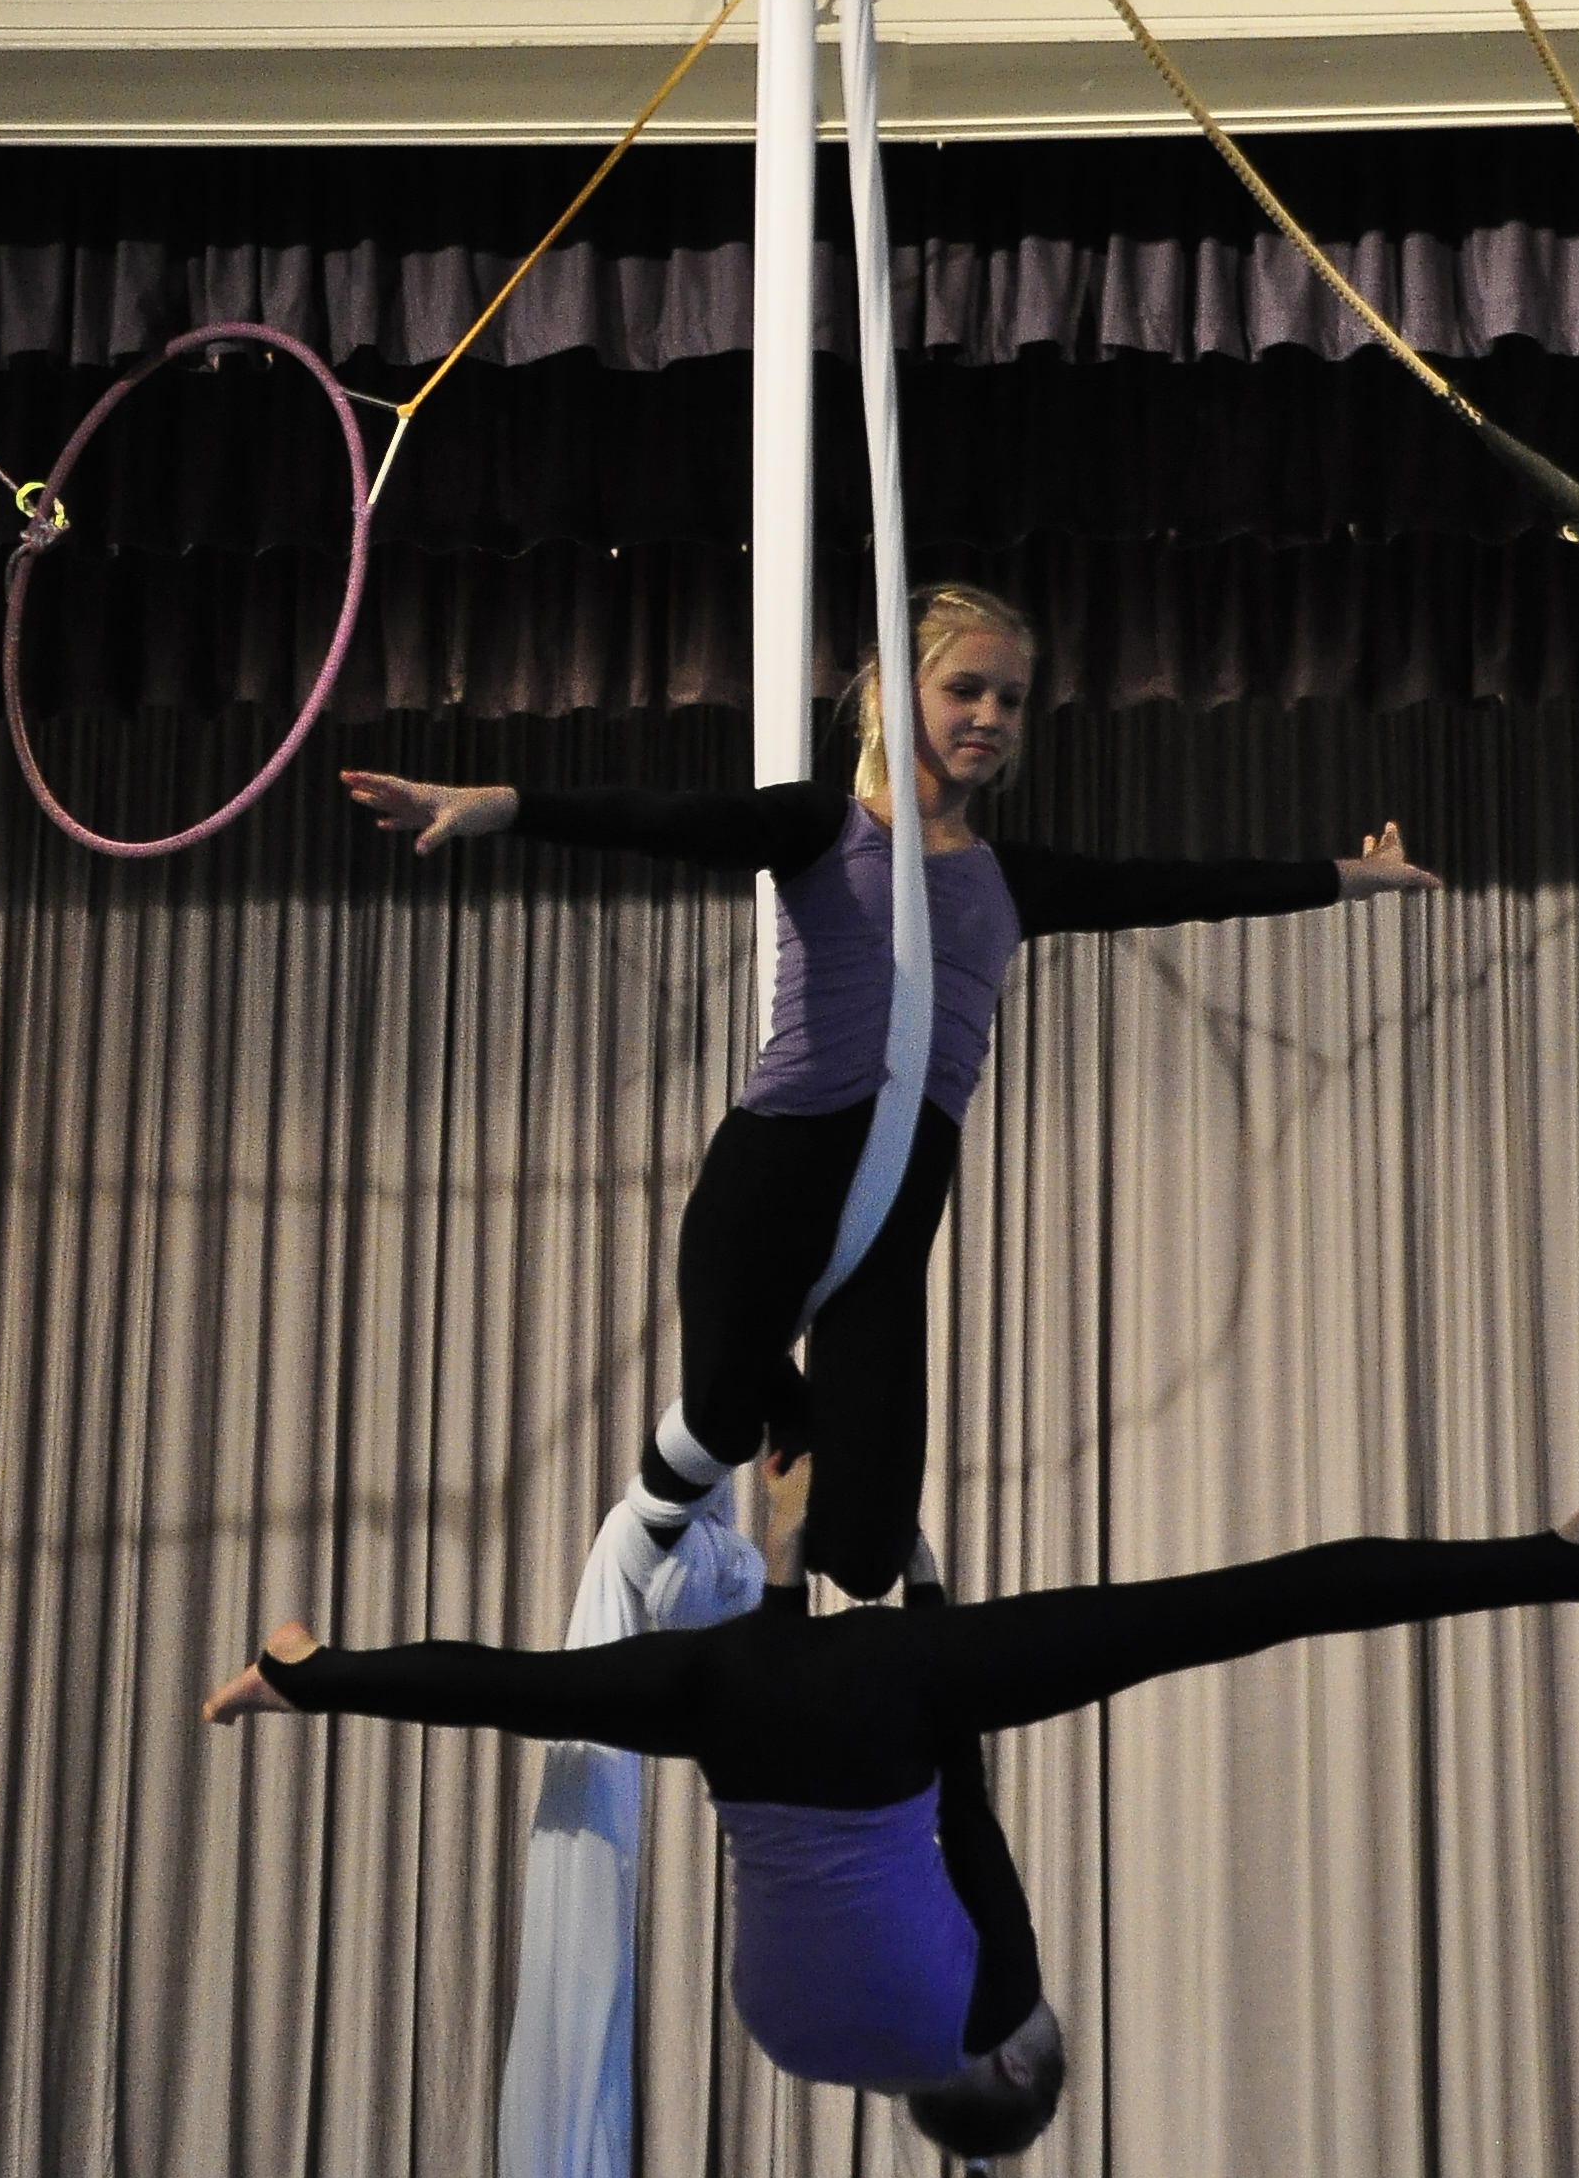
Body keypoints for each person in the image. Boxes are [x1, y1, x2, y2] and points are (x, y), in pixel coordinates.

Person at [205, 1492, 1579, 2178]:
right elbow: (814, 1850)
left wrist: (937, 1618)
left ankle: (1578, 1563)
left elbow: (968, 1802)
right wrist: (818, 1617)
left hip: (885, 1702)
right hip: (731, 1706)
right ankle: (306, 1676)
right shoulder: (807, 2049)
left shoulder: (984, 2006)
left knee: (1250, 1602)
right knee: (518, 1691)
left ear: (1014, 2064)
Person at [341, 585, 1437, 1602]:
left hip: (895, 1211)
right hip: (772, 1177)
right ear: (888, 694)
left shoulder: (1013, 880)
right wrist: (500, 806)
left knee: (864, 1557)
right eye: (964, 689)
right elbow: (671, 820)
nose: (990, 716)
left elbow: (1191, 889)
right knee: (722, 1419)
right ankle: (697, 1495)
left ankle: (817, 1489)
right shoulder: (826, 828)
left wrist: (1355, 878)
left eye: (1010, 699)